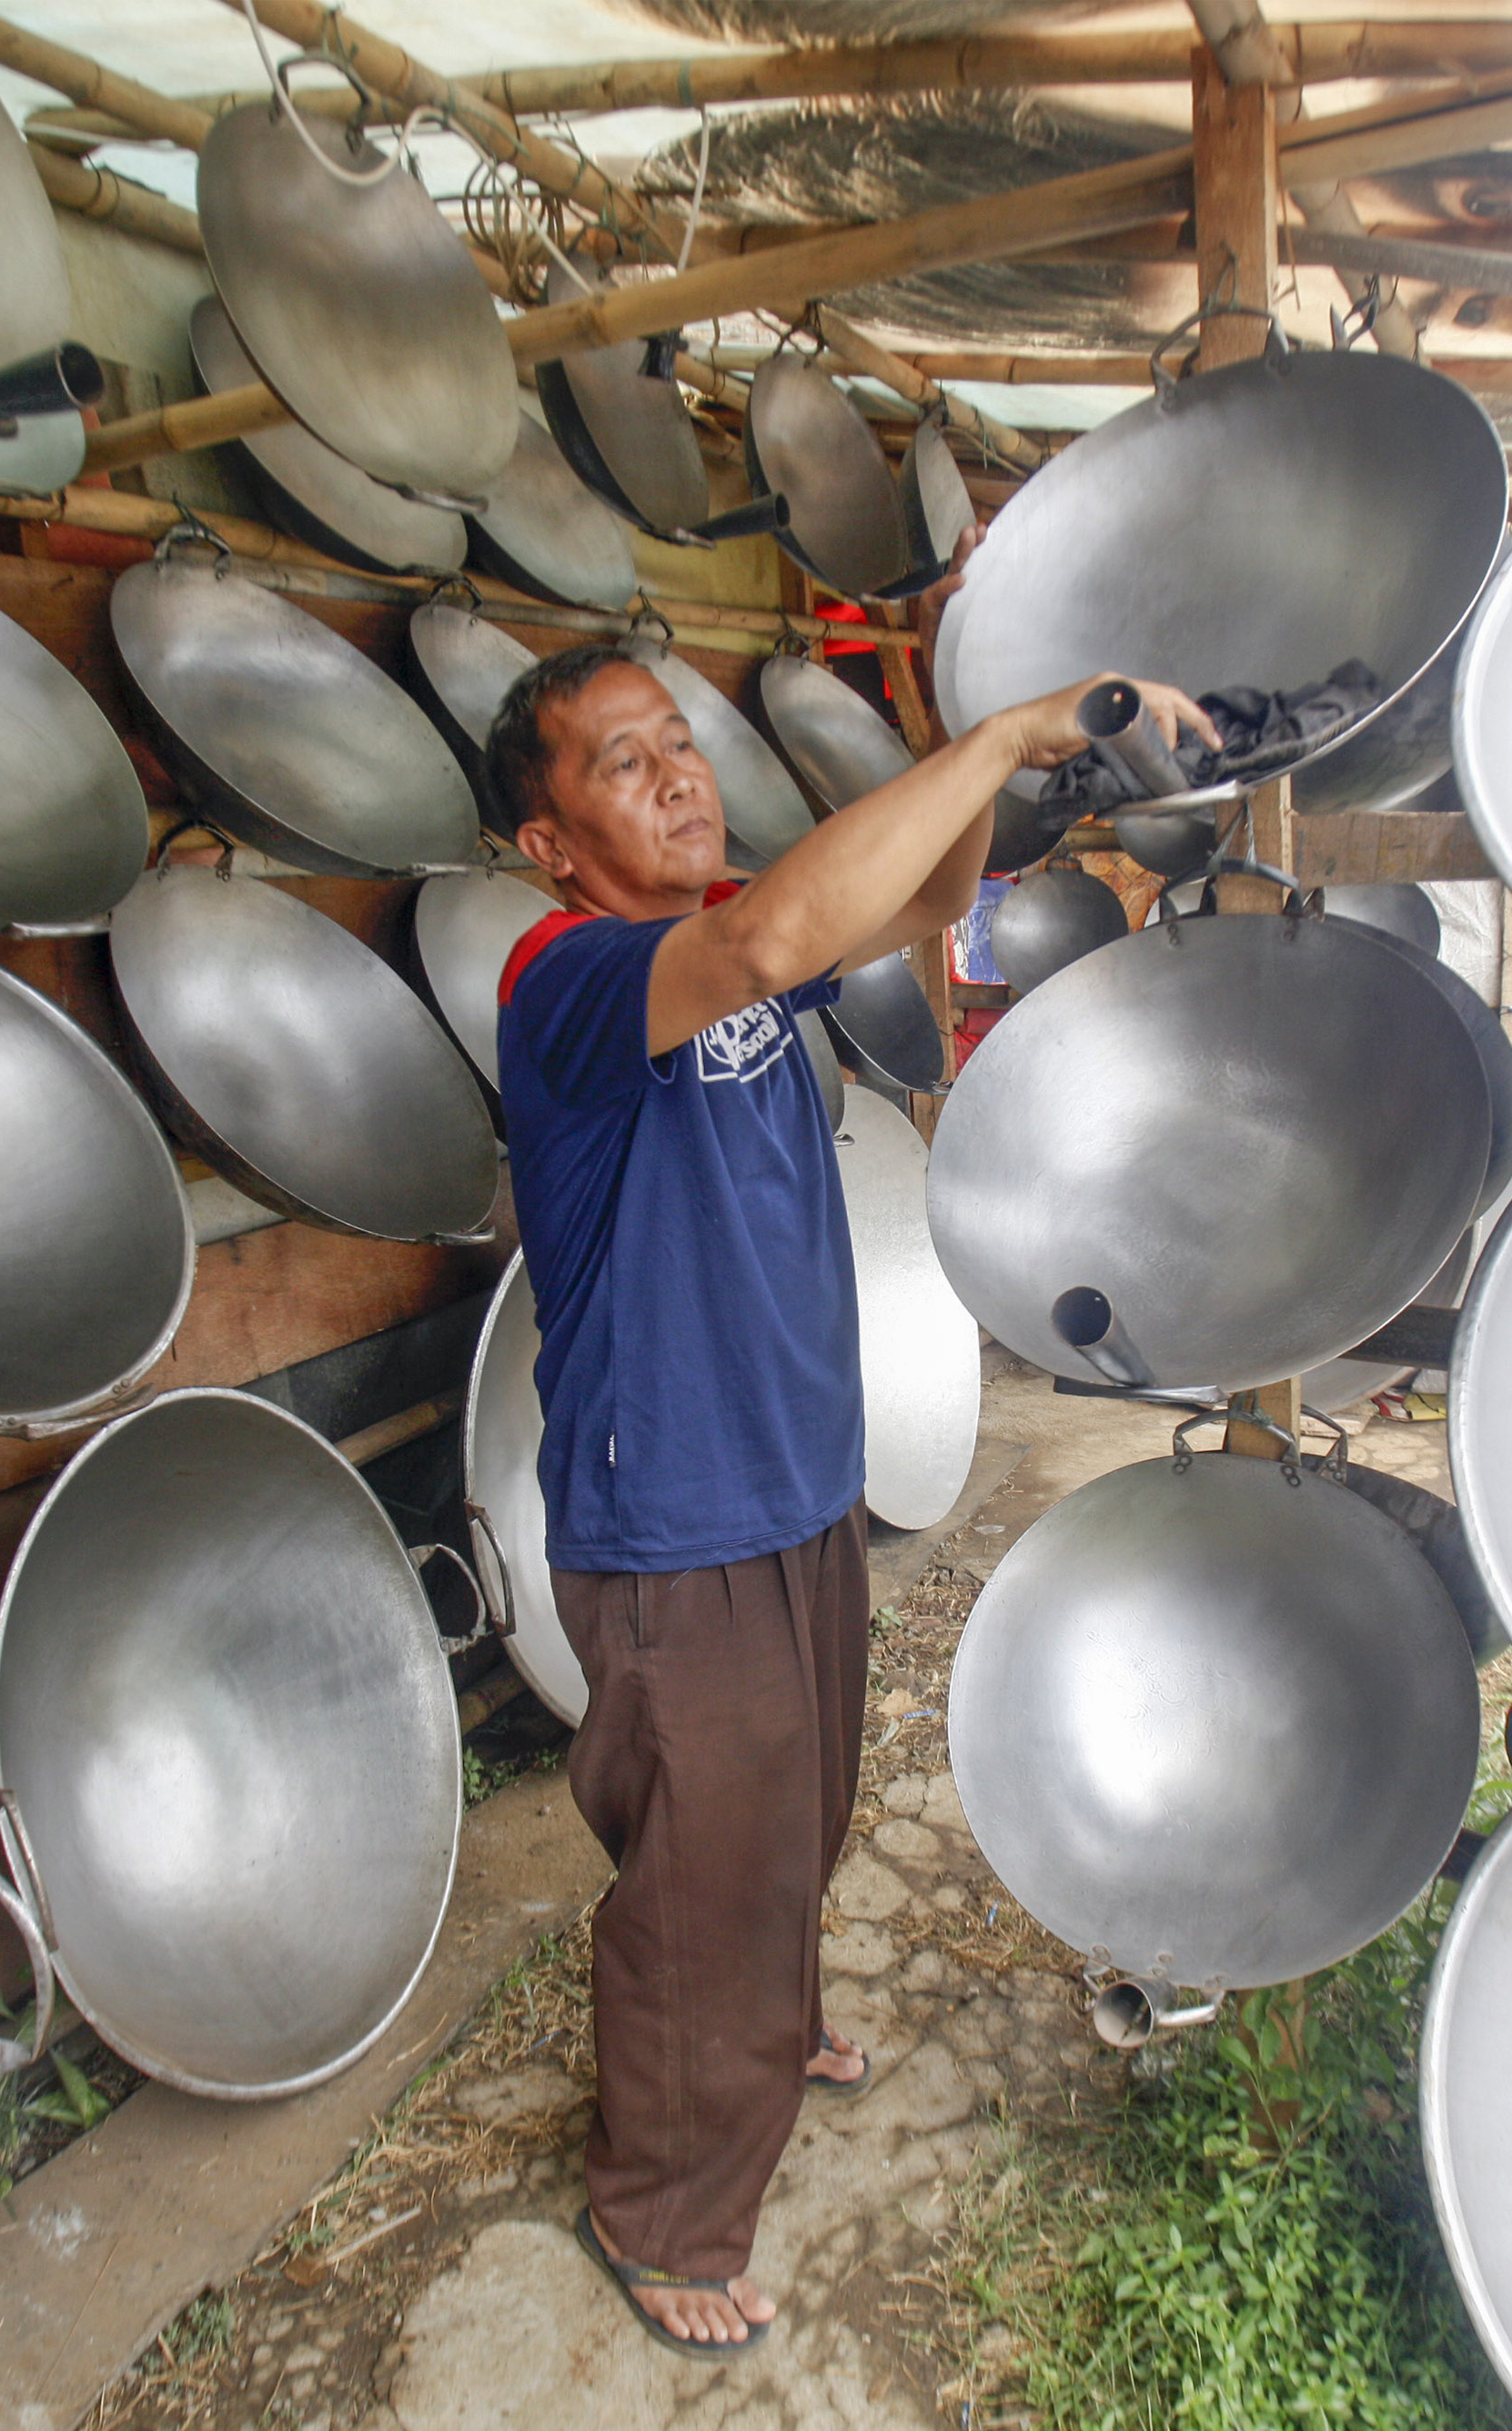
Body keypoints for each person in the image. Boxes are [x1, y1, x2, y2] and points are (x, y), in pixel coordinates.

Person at [483, 641, 1214, 2358]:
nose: (676, 775)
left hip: (794, 1472)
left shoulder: (742, 934)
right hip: (672, 1503)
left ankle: (761, 2007)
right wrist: (993, 736)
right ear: (546, 840)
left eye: (681, 745)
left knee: (790, 1820)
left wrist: (1000, 803)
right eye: (622, 764)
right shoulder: (574, 976)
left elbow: (902, 915)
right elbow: (771, 941)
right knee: (701, 1868)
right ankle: (658, 2203)